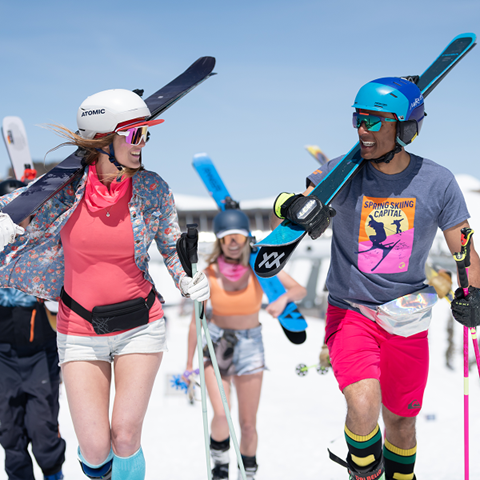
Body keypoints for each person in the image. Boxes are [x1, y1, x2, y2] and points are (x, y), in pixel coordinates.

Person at [271, 77, 480, 480]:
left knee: (402, 424)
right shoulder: (343, 172)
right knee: (363, 405)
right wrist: (295, 205)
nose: (363, 130)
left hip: (407, 319)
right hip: (352, 312)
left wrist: (474, 291)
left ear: (404, 129)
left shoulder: (437, 182)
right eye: (358, 119)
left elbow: (464, 247)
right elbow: (294, 201)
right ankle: (363, 473)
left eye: (374, 121)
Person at [0, 89, 210, 480]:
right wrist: (6, 224)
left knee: (126, 437)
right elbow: (20, 208)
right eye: (134, 135)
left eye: (146, 134)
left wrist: (187, 280)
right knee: (96, 448)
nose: (143, 144)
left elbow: (170, 247)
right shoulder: (62, 188)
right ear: (102, 141)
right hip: (79, 329)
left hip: (140, 325)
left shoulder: (152, 189)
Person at [184, 208, 306, 480]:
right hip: (217, 345)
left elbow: (299, 289)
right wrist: (189, 363)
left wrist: (281, 300)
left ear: (246, 237)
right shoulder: (209, 273)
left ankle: (247, 473)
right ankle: (220, 467)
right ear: (220, 240)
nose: (233, 241)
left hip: (251, 345)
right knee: (221, 415)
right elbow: (196, 321)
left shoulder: (260, 267)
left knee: (248, 425)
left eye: (238, 235)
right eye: (227, 237)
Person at [0, 179, 66, 480]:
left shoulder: (46, 243)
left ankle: (53, 473)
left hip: (40, 353)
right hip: (3, 358)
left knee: (43, 430)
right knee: (9, 432)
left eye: (23, 210)